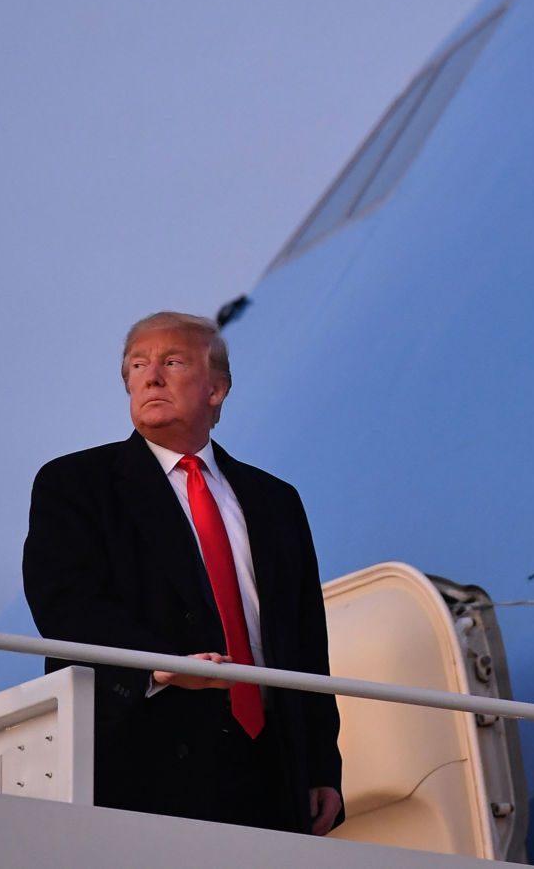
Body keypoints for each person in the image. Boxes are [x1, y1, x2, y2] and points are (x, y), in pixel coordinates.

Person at [22, 311, 343, 835]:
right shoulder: (76, 483)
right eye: (137, 364)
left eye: (172, 362)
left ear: (216, 389)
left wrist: (323, 766)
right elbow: (64, 603)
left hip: (270, 769)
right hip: (144, 756)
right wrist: (159, 664)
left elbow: (307, 641)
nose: (150, 377)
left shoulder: (276, 501)